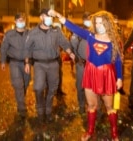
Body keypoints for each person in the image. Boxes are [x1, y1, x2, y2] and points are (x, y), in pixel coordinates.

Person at [49, 9, 123, 141]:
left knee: (110, 107)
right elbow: (74, 27)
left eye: (102, 23)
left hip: (107, 74)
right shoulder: (90, 36)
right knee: (91, 105)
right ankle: (90, 131)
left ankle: (114, 133)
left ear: (108, 23)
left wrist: (119, 77)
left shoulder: (114, 40)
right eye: (97, 23)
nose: (99, 25)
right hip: (91, 72)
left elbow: (117, 60)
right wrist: (59, 16)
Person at [24, 8, 75, 123]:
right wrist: (27, 62)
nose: (51, 19)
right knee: (38, 88)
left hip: (53, 64)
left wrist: (70, 53)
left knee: (52, 88)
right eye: (48, 16)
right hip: (39, 64)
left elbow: (64, 42)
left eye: (52, 17)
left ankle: (48, 110)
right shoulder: (33, 32)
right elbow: (27, 48)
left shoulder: (56, 31)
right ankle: (40, 111)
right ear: (41, 17)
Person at [0, 13, 31, 119]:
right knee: (18, 85)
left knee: (25, 84)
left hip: (27, 63)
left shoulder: (30, 34)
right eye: (19, 20)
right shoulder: (9, 34)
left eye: (23, 20)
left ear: (25, 21)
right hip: (14, 63)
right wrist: (3, 61)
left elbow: (33, 48)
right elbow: (3, 48)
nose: (21, 22)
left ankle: (20, 99)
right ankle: (22, 108)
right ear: (15, 22)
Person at [70, 11, 91, 114]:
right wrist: (77, 58)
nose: (89, 21)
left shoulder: (96, 32)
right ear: (83, 20)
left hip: (93, 66)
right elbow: (73, 45)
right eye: (87, 19)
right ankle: (81, 105)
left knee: (92, 86)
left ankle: (91, 105)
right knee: (80, 86)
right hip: (81, 65)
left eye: (90, 19)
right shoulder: (78, 32)